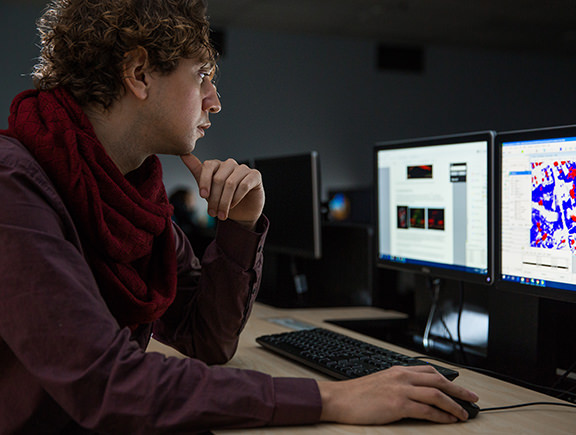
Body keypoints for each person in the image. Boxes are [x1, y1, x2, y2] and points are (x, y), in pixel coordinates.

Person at [0, 0, 478, 432]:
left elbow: (205, 339)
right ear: (140, 73)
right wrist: (333, 396)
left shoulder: (132, 198)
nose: (215, 100)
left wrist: (242, 225)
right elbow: (102, 383)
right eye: (202, 75)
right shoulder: (13, 185)